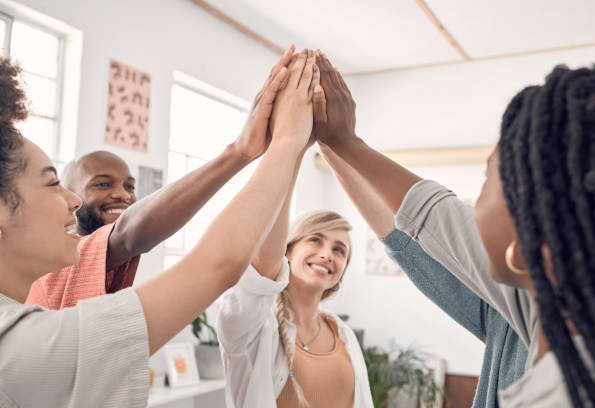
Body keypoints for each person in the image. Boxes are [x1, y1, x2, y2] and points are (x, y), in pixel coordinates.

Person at [0, 47, 318, 407]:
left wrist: (249, 151)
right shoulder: (19, 347)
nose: (71, 201)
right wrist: (287, 141)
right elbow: (217, 263)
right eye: (52, 183)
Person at [313, 53, 527, 407]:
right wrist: (331, 144)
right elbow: (402, 237)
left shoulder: (541, 313)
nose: (475, 206)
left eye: (489, 180)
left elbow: (432, 212)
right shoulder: (507, 311)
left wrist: (346, 141)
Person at [25, 45, 298, 310]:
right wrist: (239, 152)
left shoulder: (115, 272)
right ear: (71, 197)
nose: (122, 194)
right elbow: (129, 234)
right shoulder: (53, 262)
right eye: (102, 184)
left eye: (129, 186)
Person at [217, 52, 372, 408]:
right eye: (315, 239)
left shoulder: (343, 336)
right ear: (287, 251)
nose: (327, 254)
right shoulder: (253, 329)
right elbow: (261, 270)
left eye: (339, 249)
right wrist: (293, 150)